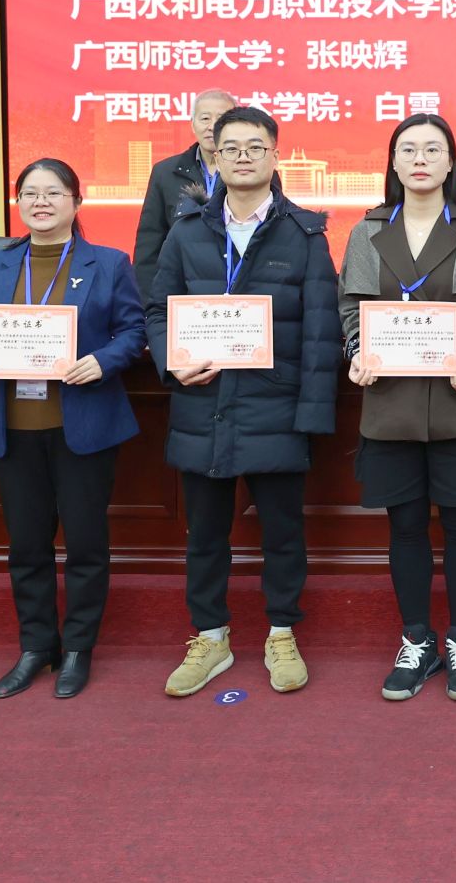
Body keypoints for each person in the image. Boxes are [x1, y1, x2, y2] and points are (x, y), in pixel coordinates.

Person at [144, 105, 341, 698]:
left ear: (276, 156)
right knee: (204, 535)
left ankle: (282, 632)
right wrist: (171, 362)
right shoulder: (186, 231)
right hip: (202, 403)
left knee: (282, 533)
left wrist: (310, 418)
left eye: (256, 147)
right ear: (215, 156)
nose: (243, 157)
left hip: (275, 407)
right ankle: (210, 637)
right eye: (230, 148)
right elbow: (157, 310)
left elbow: (321, 330)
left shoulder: (304, 233)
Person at [339, 115, 456, 702]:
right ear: (393, 162)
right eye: (408, 149)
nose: (420, 159)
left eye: (432, 149)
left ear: (451, 163)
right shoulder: (368, 231)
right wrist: (357, 353)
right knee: (405, 526)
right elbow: (350, 311)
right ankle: (416, 639)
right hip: (389, 406)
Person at [0, 158, 145, 700]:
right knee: (27, 547)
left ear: (76, 202)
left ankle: (78, 647)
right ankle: (36, 646)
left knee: (85, 545)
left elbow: (134, 331)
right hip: (13, 426)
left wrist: (103, 361)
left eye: (54, 193)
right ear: (17, 203)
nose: (41, 202)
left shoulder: (109, 262)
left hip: (83, 424)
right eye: (30, 193)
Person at [133, 87, 237, 298]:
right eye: (205, 118)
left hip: (239, 289)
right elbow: (149, 242)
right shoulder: (165, 172)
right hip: (181, 290)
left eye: (221, 118)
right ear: (192, 124)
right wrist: (146, 303)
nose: (212, 126)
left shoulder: (254, 171)